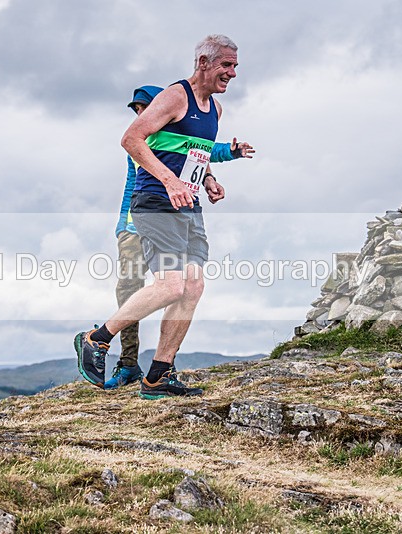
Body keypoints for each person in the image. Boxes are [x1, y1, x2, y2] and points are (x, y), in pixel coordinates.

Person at [75, 34, 246, 398]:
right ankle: (96, 339)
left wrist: (209, 180)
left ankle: (158, 375)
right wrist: (169, 181)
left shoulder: (215, 110)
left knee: (193, 286)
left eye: (235, 66)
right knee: (171, 285)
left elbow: (196, 153)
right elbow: (131, 139)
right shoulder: (174, 96)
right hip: (155, 202)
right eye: (226, 65)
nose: (232, 73)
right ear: (203, 62)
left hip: (189, 206)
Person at [105, 85, 254, 389]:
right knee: (132, 289)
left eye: (145, 109)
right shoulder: (145, 141)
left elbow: (199, 152)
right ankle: (127, 362)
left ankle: (161, 367)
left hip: (178, 215)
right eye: (137, 111)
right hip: (137, 222)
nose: (140, 115)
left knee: (182, 286)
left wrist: (218, 167)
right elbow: (144, 174)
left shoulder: (172, 132)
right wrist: (123, 224)